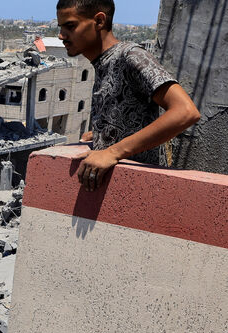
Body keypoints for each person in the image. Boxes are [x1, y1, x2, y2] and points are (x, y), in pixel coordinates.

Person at [57, 0, 200, 191]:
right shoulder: (103, 63)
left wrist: (113, 152)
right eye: (61, 27)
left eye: (70, 26)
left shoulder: (130, 56)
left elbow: (186, 112)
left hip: (145, 192)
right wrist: (104, 134)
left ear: (99, 21)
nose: (61, 36)